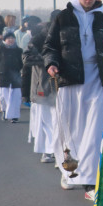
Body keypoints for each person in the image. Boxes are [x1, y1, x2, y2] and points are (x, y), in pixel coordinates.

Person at [43, 0, 103, 200]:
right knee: (69, 130)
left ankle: (90, 183)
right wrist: (51, 64)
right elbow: (49, 46)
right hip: (70, 79)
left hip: (97, 81)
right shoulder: (63, 17)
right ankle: (68, 171)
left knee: (93, 131)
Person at [25, 21, 58, 162]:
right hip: (42, 86)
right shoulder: (39, 38)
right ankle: (47, 151)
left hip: (61, 86)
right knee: (45, 121)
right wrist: (49, 62)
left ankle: (58, 151)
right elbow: (26, 58)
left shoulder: (63, 36)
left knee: (59, 122)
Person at [0, 31, 23, 123]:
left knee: (16, 96)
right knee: (4, 96)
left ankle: (14, 116)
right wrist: (0, 70)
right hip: (3, 75)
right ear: (4, 40)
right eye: (8, 38)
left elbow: (21, 63)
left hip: (15, 76)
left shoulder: (19, 50)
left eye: (12, 38)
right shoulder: (0, 50)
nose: (10, 40)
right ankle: (5, 111)